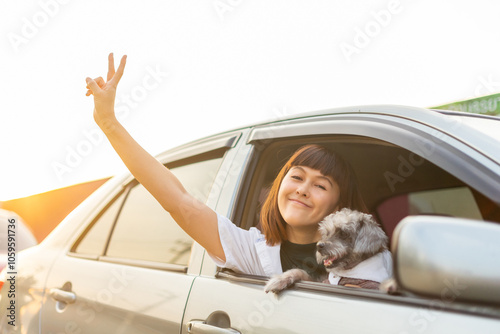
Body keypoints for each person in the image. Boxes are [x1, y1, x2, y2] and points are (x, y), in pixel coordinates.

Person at [85, 53, 369, 279]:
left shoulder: (367, 260)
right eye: (296, 177)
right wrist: (109, 123)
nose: (303, 190)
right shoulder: (252, 250)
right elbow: (179, 201)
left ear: (338, 206)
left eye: (320, 185)